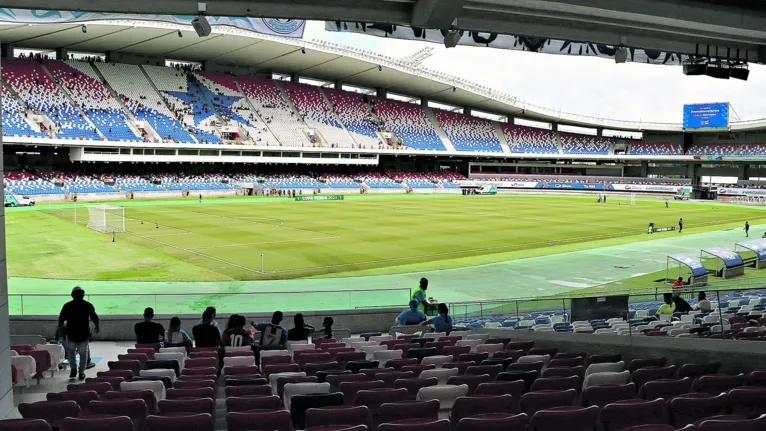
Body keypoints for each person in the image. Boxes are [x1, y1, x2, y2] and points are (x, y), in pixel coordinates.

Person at [58, 286, 99, 380]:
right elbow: (94, 317)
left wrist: (60, 329)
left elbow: (61, 319)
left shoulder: (67, 305)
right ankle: (81, 372)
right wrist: (97, 326)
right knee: (83, 354)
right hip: (83, 334)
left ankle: (73, 369)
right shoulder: (88, 305)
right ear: (83, 295)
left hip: (71, 333)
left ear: (72, 295)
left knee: (71, 353)